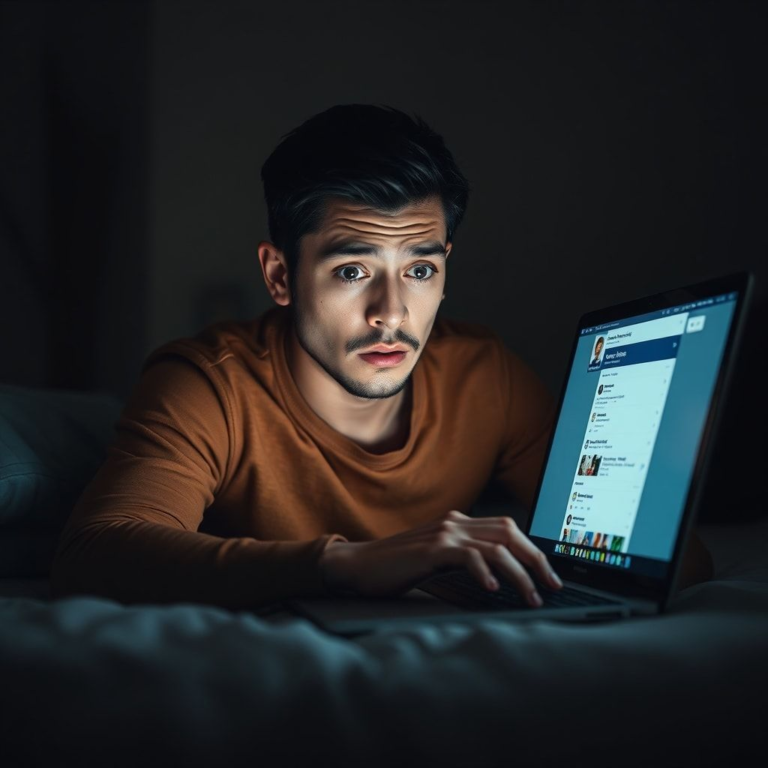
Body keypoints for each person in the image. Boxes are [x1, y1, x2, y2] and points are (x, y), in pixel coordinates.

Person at [50, 104, 712, 612]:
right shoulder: (207, 384)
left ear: (446, 268)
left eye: (419, 270)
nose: (391, 313)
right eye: (351, 272)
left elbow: (672, 565)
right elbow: (93, 553)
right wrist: (350, 565)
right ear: (280, 275)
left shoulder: (487, 377)